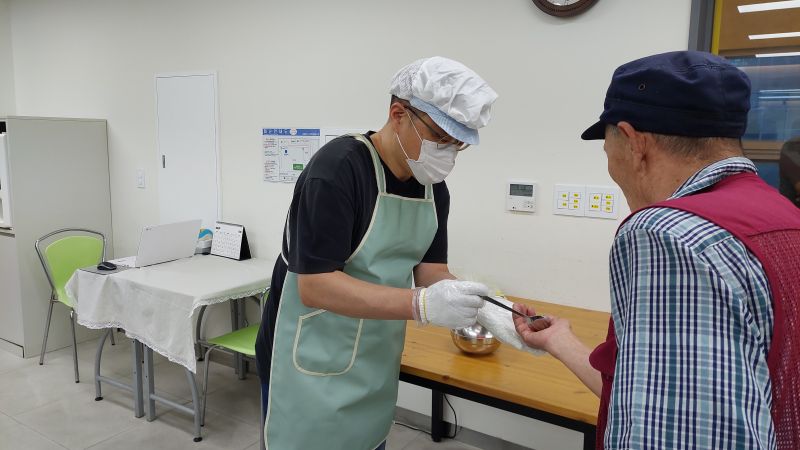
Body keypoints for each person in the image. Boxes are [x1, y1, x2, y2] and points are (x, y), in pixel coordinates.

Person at [511, 51, 800, 449]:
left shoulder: (668, 234)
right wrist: (559, 340)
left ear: (633, 142)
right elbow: (664, 402)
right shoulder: (784, 216)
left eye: (607, 149)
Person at [254, 56, 498, 450]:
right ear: (398, 114)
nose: (448, 154)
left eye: (458, 145)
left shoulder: (433, 187)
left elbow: (431, 271)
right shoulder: (337, 170)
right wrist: (421, 305)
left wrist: (485, 306)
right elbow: (315, 286)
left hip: (373, 353)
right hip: (308, 355)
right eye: (440, 137)